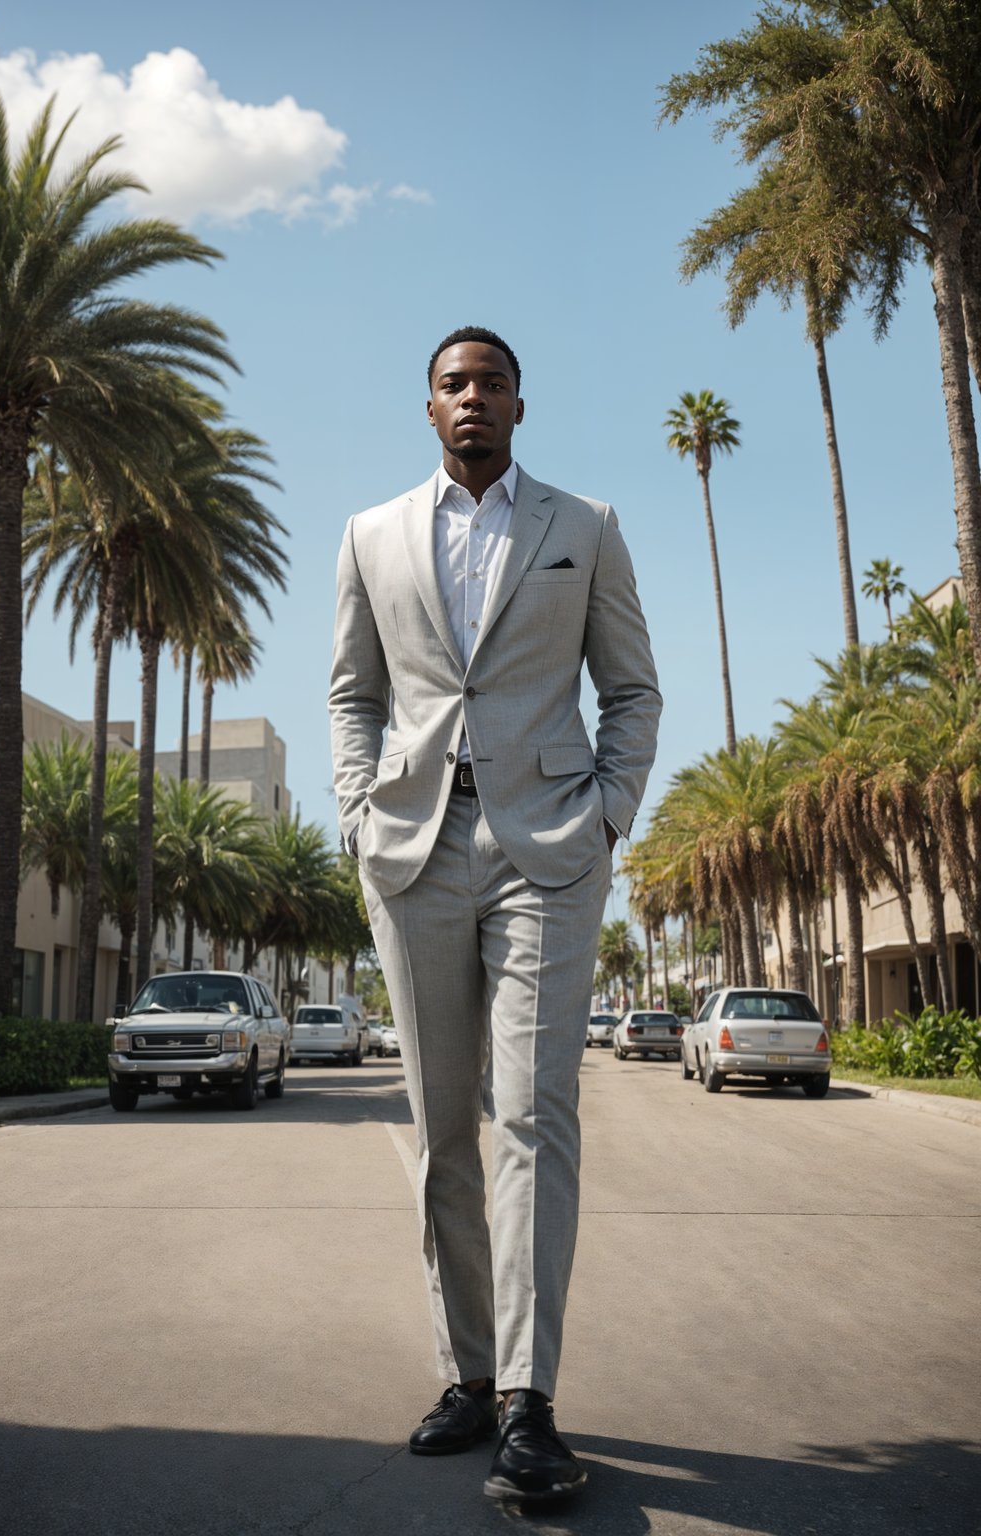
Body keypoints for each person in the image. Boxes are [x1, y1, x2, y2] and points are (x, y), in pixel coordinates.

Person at [329, 325, 661, 1503]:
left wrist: (609, 812)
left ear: (521, 404)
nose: (472, 397)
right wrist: (361, 814)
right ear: (429, 407)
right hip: (415, 851)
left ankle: (529, 1400)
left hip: (547, 851)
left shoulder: (584, 528)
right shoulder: (371, 535)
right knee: (444, 1129)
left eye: (490, 383)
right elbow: (352, 694)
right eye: (452, 383)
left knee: (531, 1115)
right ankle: (465, 1375)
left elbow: (631, 687)